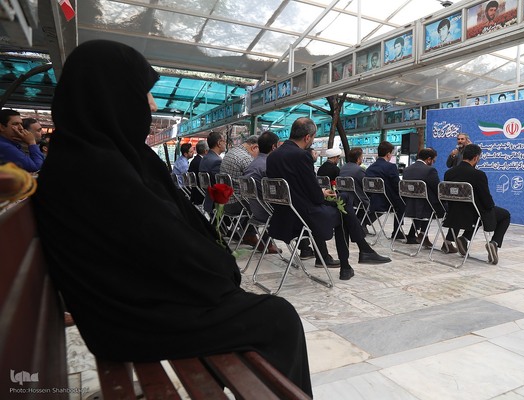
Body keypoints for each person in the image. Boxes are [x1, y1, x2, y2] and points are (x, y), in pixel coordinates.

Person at [31, 40, 313, 396]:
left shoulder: (100, 157)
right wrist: (220, 268)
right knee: (279, 319)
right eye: (144, 92)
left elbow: (169, 233)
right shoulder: (93, 171)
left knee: (261, 312)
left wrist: (217, 266)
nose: (151, 104)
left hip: (137, 302)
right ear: (111, 94)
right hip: (130, 321)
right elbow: (165, 244)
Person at [266, 117, 391, 281]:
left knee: (343, 200)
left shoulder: (273, 156)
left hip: (283, 215)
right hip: (303, 216)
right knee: (343, 210)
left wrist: (321, 193)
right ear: (307, 137)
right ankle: (351, 262)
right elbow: (315, 197)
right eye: (313, 138)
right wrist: (322, 193)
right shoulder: (301, 156)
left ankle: (360, 253)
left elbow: (293, 187)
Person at [443, 144, 511, 264]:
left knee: (478, 211)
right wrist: (490, 207)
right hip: (472, 215)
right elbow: (487, 201)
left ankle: (464, 239)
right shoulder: (478, 174)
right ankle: (494, 243)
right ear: (476, 158)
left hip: (453, 214)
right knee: (505, 215)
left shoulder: (449, 173)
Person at [242, 131, 281, 254]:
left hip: (254, 210)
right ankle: (305, 248)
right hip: (267, 212)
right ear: (274, 147)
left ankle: (265, 243)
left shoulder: (252, 164)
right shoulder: (268, 165)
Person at [219, 135, 261, 248]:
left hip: (224, 202)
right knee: (262, 205)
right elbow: (254, 184)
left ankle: (247, 233)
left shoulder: (231, 152)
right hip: (235, 204)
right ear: (254, 147)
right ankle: (261, 240)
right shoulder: (246, 158)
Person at [401, 148, 445, 247]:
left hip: (409, 205)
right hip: (426, 207)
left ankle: (422, 234)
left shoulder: (407, 170)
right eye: (433, 161)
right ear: (429, 159)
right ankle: (447, 241)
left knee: (426, 201)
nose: (433, 163)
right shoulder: (430, 170)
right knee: (444, 206)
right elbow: (438, 189)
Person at [365, 140, 406, 240]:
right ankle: (396, 231)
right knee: (403, 203)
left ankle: (365, 221)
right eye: (391, 153)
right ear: (388, 154)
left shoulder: (370, 168)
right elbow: (397, 185)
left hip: (373, 200)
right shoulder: (391, 167)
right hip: (387, 201)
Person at [339, 147, 373, 231]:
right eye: (362, 157)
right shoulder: (359, 170)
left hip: (345, 198)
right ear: (358, 159)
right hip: (358, 200)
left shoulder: (342, 168)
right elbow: (367, 186)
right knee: (377, 203)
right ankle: (362, 223)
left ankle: (360, 223)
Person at [199, 131, 226, 214]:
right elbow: (221, 183)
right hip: (217, 204)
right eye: (224, 141)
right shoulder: (217, 161)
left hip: (208, 200)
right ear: (219, 143)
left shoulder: (205, 158)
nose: (225, 143)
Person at [188, 140, 208, 205]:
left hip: (194, 193)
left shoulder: (194, 161)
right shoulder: (202, 162)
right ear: (205, 151)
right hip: (201, 195)